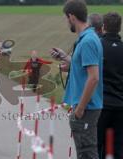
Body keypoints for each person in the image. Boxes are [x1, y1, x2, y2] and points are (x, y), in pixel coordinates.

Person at [49, 0, 103, 158]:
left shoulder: (87, 41)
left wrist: (79, 109)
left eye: (66, 19)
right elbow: (84, 68)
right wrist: (66, 59)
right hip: (86, 107)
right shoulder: (87, 38)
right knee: (85, 153)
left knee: (87, 154)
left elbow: (93, 78)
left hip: (86, 108)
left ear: (72, 17)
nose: (67, 23)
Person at [97, 12, 123, 159]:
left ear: (103, 27)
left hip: (101, 106)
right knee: (119, 149)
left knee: (98, 146)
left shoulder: (98, 46)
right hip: (120, 106)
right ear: (119, 28)